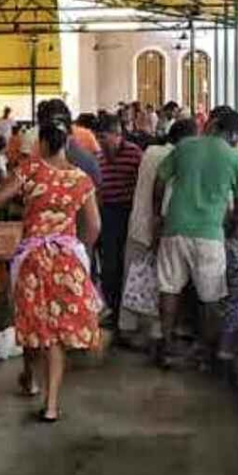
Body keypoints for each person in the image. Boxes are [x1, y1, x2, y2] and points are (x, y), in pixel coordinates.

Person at [0, 99, 101, 422]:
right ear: (68, 142)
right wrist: (76, 248)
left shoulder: (30, 170)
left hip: (32, 260)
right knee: (56, 333)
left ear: (42, 142)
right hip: (67, 260)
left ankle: (30, 378)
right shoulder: (81, 179)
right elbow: (95, 225)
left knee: (33, 324)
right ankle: (52, 404)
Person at [153, 109, 238, 369]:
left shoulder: (185, 147)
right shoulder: (236, 160)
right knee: (211, 297)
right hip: (210, 235)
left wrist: (158, 215)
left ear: (213, 125)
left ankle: (166, 346)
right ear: (233, 135)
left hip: (174, 227)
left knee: (170, 288)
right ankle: (206, 354)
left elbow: (160, 181)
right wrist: (230, 230)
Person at [119, 118, 198, 348]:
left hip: (136, 223)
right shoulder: (174, 158)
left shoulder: (150, 151)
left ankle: (127, 328)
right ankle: (155, 334)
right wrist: (159, 231)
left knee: (132, 275)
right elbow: (165, 198)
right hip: (157, 228)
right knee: (160, 281)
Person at [96, 113, 143, 320]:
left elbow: (142, 184)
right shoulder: (98, 157)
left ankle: (127, 311)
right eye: (99, 138)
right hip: (106, 212)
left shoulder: (134, 154)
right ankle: (113, 308)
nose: (101, 143)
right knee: (109, 263)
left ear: (118, 135)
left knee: (127, 260)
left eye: (104, 138)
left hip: (128, 211)